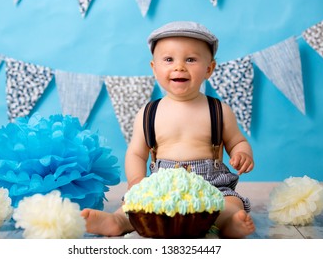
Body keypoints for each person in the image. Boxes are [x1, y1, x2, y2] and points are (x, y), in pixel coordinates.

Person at [81, 21, 255, 238]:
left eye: (190, 59)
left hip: (211, 186)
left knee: (230, 203)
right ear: (154, 68)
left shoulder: (219, 110)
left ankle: (230, 223)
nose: (179, 66)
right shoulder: (148, 112)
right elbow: (136, 152)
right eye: (169, 59)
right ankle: (117, 221)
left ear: (209, 69)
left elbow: (237, 141)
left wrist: (242, 153)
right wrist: (137, 182)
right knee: (135, 206)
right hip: (161, 187)